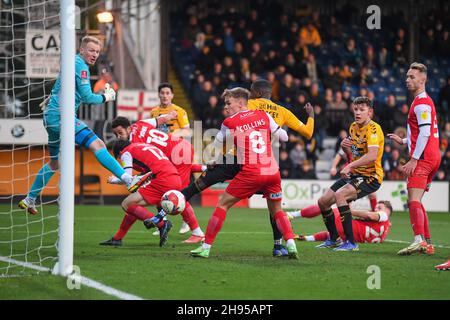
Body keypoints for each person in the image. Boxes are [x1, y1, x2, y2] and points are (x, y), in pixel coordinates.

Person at [181, 79, 315, 257]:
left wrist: (215, 158)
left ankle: (200, 239)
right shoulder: (278, 112)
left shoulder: (244, 107)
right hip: (269, 165)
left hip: (242, 162)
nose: (226, 106)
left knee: (213, 189)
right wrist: (311, 116)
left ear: (253, 95)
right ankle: (282, 245)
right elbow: (300, 134)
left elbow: (220, 140)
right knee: (275, 208)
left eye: (228, 103)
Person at [18, 36, 150, 215]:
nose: (94, 54)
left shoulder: (71, 62)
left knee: (55, 162)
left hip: (50, 117)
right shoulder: (81, 65)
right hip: (62, 117)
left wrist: (51, 97)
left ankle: (30, 198)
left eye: (97, 51)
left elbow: (59, 87)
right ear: (82, 50)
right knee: (99, 145)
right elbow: (88, 97)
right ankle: (128, 179)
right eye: (91, 50)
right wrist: (106, 97)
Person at [107, 116, 205, 244]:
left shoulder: (132, 146)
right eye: (116, 134)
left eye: (120, 133)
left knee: (177, 195)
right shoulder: (139, 124)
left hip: (176, 154)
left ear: (129, 129)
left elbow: (137, 172)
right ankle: (123, 236)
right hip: (178, 150)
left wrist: (116, 180)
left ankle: (196, 232)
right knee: (160, 195)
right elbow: (160, 120)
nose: (119, 137)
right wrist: (171, 114)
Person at [316, 96, 384, 251]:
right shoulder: (353, 127)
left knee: (340, 195)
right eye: (356, 109)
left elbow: (372, 155)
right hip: (356, 175)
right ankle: (334, 239)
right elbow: (355, 155)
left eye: (362, 110)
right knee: (323, 202)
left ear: (370, 112)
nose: (358, 113)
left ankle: (351, 243)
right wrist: (346, 150)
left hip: (371, 177)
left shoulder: (374, 129)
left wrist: (349, 166)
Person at [387, 62, 440, 256]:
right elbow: (421, 131)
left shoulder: (421, 104)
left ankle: (418, 240)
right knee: (417, 201)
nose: (407, 80)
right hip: (432, 157)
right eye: (407, 76)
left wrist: (414, 160)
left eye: (412, 77)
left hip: (424, 157)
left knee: (413, 200)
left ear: (423, 79)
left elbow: (425, 134)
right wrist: (403, 140)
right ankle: (427, 243)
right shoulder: (424, 101)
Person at [101, 140, 178, 247]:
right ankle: (117, 238)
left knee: (127, 204)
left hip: (162, 179)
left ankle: (161, 224)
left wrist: (113, 180)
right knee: (133, 206)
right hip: (174, 177)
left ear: (119, 153)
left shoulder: (126, 152)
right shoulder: (142, 146)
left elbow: (127, 178)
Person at [149, 82, 192, 234]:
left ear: (172, 95)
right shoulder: (154, 112)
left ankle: (187, 222)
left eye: (168, 93)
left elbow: (187, 131)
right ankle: (162, 222)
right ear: (159, 95)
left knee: (180, 189)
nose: (165, 95)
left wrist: (171, 136)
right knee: (159, 187)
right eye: (162, 93)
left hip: (177, 154)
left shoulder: (179, 111)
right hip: (160, 155)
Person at [287, 200, 393, 243]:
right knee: (331, 234)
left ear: (387, 211)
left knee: (325, 205)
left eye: (379, 207)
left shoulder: (384, 215)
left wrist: (351, 212)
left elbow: (370, 215)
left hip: (347, 226)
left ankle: (292, 215)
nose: (376, 209)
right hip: (347, 237)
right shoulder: (385, 231)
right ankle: (303, 238)